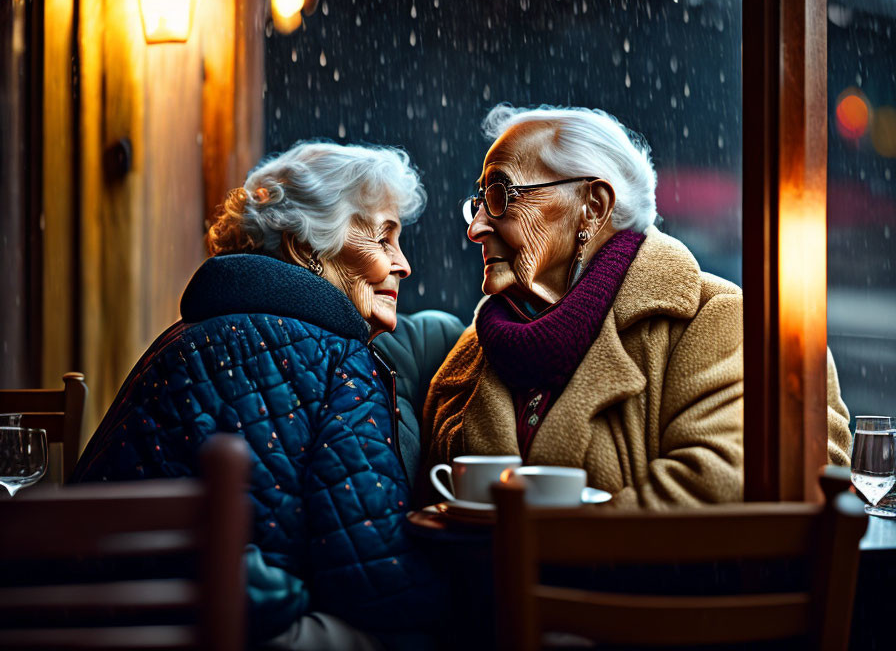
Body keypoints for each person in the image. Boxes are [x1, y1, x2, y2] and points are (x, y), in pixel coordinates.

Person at [71, 140, 456, 650]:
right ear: (305, 249)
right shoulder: (337, 360)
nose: (403, 264)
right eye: (383, 239)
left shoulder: (184, 339)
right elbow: (373, 576)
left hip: (91, 618)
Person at [423, 104, 852, 509]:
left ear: (592, 208)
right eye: (479, 203)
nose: (476, 228)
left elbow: (721, 486)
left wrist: (545, 551)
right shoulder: (474, 351)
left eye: (501, 195)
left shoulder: (725, 321)